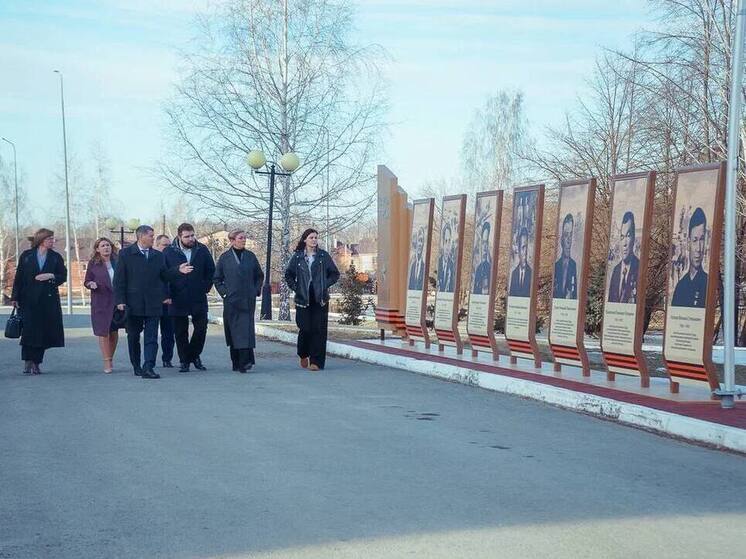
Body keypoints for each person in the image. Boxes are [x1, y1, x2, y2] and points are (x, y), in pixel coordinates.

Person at [114, 225, 192, 379]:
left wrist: (177, 270)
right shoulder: (126, 254)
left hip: (153, 303)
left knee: (151, 337)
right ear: (141, 236)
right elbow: (119, 280)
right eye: (151, 235)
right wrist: (120, 301)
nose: (153, 238)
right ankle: (137, 366)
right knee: (133, 337)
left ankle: (149, 366)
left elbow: (164, 275)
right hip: (133, 303)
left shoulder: (158, 255)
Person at [10, 228, 67, 374]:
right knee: (29, 331)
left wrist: (51, 276)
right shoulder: (27, 256)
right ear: (41, 240)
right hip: (27, 299)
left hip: (48, 300)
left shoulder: (55, 257)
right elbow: (19, 277)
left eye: (52, 239)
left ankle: (36, 362)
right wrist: (15, 297)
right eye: (50, 239)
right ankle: (27, 360)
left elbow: (63, 276)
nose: (52, 241)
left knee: (42, 331)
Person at [284, 228, 340, 371]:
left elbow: (335, 274)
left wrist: (324, 284)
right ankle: (303, 354)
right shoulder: (297, 257)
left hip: (320, 298)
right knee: (305, 328)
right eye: (311, 237)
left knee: (319, 330)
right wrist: (296, 287)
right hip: (303, 297)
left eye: (315, 237)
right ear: (305, 240)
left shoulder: (323, 256)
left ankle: (316, 362)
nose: (314, 240)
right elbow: (288, 275)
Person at [164, 223, 216, 372]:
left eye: (192, 235)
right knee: (180, 331)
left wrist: (205, 287)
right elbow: (163, 274)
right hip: (177, 296)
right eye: (187, 236)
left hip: (197, 296)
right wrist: (167, 294)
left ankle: (193, 355)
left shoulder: (202, 250)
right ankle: (184, 361)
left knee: (201, 328)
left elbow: (211, 270)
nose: (191, 239)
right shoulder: (169, 252)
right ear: (179, 236)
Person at [213, 229, 263, 373]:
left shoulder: (250, 256)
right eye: (240, 238)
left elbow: (259, 275)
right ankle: (236, 361)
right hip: (232, 300)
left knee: (246, 331)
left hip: (247, 300)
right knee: (234, 331)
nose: (244, 240)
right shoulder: (225, 258)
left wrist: (255, 290)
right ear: (232, 240)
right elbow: (217, 278)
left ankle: (245, 362)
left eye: (245, 238)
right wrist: (225, 293)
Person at [84, 237, 121, 373]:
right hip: (101, 302)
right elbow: (87, 280)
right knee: (103, 332)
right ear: (97, 249)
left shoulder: (118, 261)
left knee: (114, 332)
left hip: (116, 302)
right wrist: (91, 284)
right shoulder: (94, 263)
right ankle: (106, 361)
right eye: (103, 246)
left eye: (108, 245)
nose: (106, 247)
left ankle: (110, 357)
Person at [671, 207, 708, 308]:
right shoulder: (680, 287)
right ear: (688, 243)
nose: (699, 248)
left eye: (702, 240)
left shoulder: (708, 283)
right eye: (695, 240)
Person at [608, 211, 640, 304]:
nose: (624, 243)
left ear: (633, 238)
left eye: (628, 236)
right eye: (622, 237)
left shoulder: (639, 268)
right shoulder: (616, 270)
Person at [154, 234, 176, 368]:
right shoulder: (152, 259)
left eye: (170, 245)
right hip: (154, 302)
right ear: (157, 245)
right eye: (164, 245)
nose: (168, 248)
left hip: (170, 302)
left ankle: (167, 358)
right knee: (152, 333)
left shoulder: (173, 260)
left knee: (168, 333)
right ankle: (150, 359)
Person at [553, 213, 578, 299]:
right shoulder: (556, 265)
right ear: (561, 239)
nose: (568, 240)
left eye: (570, 235)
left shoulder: (573, 265)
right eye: (566, 235)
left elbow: (574, 294)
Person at [508, 227, 532, 297]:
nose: (525, 252)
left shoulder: (531, 274)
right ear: (518, 250)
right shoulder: (514, 274)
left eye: (527, 247)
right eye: (523, 247)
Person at [471, 221, 492, 295]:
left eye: (486, 243)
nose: (485, 247)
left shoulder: (491, 269)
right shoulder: (478, 269)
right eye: (483, 243)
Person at [437, 222, 456, 292]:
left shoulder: (452, 265)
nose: (447, 246)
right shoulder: (438, 262)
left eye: (449, 241)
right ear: (442, 243)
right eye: (445, 241)